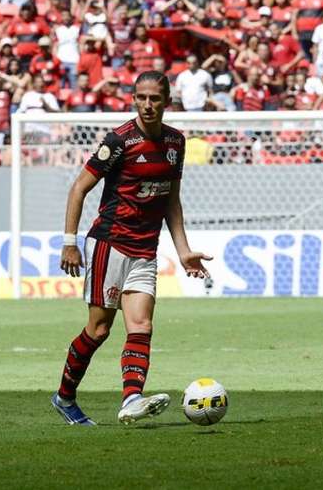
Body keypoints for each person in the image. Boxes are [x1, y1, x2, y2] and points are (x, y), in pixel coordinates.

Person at [51, 71, 211, 426]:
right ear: (133, 98)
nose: (148, 105)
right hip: (110, 243)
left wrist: (183, 250)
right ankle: (64, 397)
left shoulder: (175, 143)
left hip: (144, 249)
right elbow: (79, 188)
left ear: (167, 101)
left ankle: (131, 398)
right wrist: (69, 243)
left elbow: (172, 201)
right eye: (141, 97)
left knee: (142, 324)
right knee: (99, 330)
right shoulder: (119, 140)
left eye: (155, 98)